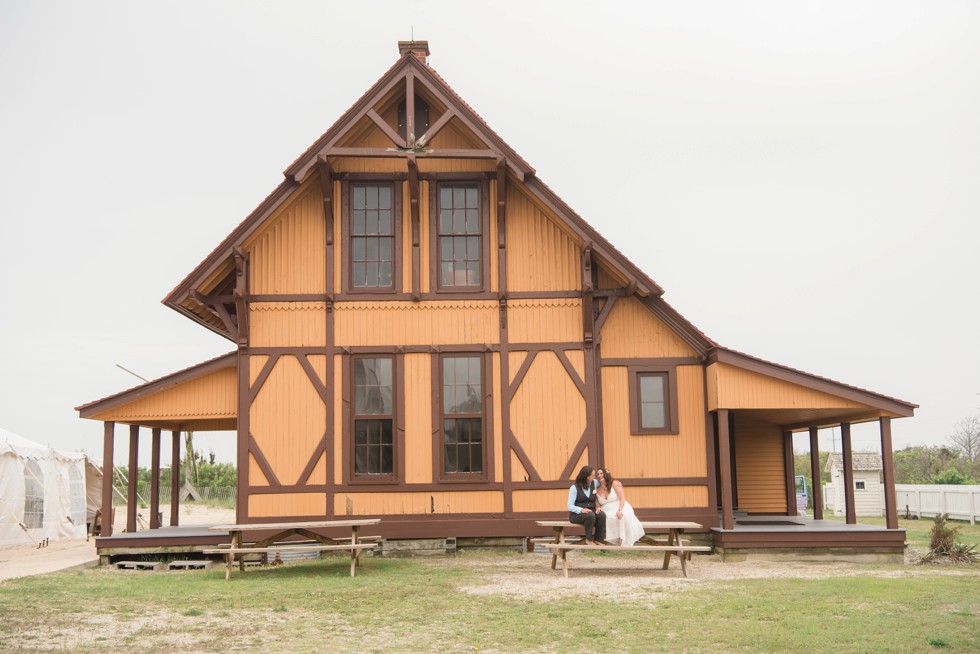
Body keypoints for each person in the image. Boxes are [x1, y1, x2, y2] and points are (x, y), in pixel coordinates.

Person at [595, 468, 645, 546]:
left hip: (620, 506)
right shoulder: (596, 490)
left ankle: (623, 539)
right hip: (607, 510)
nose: (599, 475)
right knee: (609, 517)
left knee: (622, 515)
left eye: (601, 473)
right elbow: (597, 503)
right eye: (597, 474)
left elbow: (622, 498)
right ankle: (617, 539)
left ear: (606, 474)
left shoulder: (614, 483)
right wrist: (598, 507)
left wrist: (620, 510)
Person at [567, 465, 606, 545]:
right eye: (593, 475)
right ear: (587, 476)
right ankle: (588, 539)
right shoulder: (574, 488)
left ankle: (598, 539)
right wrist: (581, 510)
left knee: (601, 515)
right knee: (591, 515)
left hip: (590, 511)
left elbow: (604, 482)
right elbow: (570, 506)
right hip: (576, 515)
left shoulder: (594, 482)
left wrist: (598, 506)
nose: (595, 477)